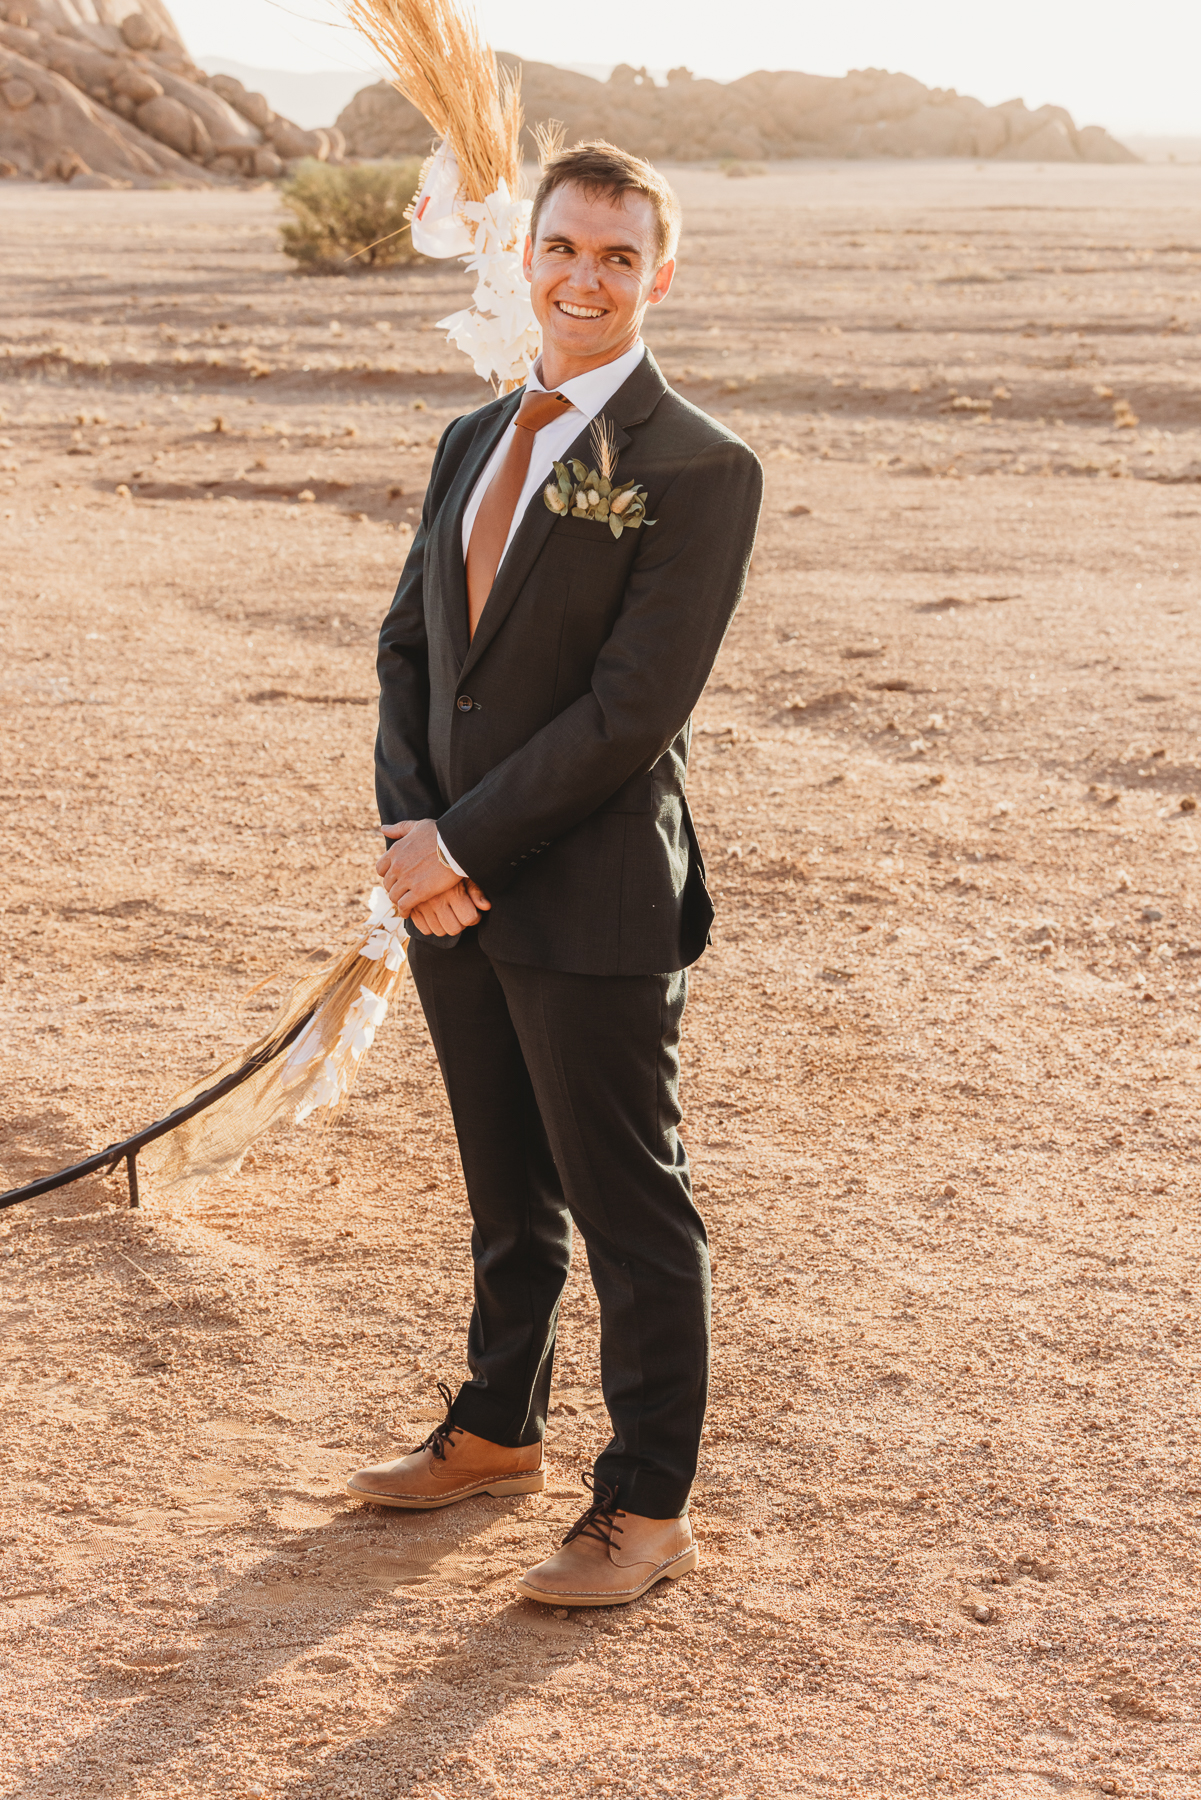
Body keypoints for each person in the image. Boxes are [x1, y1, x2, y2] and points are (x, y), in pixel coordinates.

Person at [346, 140, 763, 1610]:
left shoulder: (698, 466)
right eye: (564, 248)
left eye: (618, 256)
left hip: (591, 899)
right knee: (504, 1189)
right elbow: (410, 652)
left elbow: (630, 711)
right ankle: (495, 1426)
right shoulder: (474, 436)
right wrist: (416, 845)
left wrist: (459, 845)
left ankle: (645, 1507)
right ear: (523, 256)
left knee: (628, 1207)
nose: (586, 279)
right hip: (450, 893)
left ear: (661, 275)